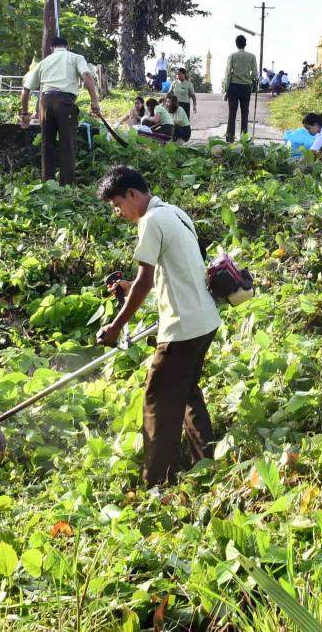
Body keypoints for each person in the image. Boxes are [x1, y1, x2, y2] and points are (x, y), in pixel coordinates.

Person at [96, 166, 220, 487]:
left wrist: (115, 327)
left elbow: (144, 282)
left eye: (117, 205)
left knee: (157, 402)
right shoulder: (176, 213)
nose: (118, 212)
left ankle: (156, 481)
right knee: (187, 393)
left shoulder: (150, 221)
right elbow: (169, 274)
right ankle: (205, 465)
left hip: (182, 330)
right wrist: (128, 286)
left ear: (132, 194)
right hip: (205, 321)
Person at [20, 36, 103, 186]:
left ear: (52, 48)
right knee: (67, 144)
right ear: (67, 46)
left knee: (47, 144)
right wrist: (94, 100)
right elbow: (87, 75)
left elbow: (25, 90)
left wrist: (25, 114)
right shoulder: (75, 57)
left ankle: (48, 183)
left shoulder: (44, 62)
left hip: (45, 103)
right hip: (65, 103)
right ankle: (67, 185)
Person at [221, 34, 258, 142]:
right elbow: (254, 74)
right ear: (245, 44)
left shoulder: (232, 56)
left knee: (232, 113)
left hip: (233, 86)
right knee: (245, 113)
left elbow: (228, 74)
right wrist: (250, 79)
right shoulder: (252, 56)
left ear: (236, 44)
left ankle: (230, 138)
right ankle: (244, 139)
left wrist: (226, 90)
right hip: (246, 87)